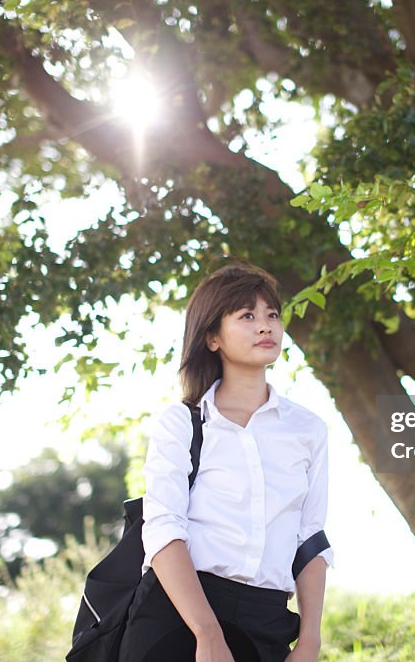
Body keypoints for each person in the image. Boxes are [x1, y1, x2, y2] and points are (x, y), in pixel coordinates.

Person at [118, 262, 333, 662]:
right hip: (178, 614)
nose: (266, 326)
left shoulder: (308, 429)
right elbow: (163, 529)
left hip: (267, 619)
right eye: (247, 316)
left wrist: (309, 642)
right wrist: (207, 633)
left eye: (272, 314)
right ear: (213, 337)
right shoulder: (183, 422)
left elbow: (310, 539)